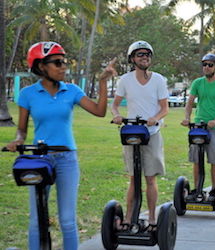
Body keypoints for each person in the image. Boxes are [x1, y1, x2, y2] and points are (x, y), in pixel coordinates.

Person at [5, 42, 116, 249]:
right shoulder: (28, 94)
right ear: (41, 67)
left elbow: (99, 111)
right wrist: (18, 140)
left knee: (67, 219)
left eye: (64, 62)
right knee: (36, 219)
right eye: (57, 63)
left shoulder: (71, 90)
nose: (63, 67)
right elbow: (22, 129)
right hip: (38, 160)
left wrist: (102, 82)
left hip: (67, 159)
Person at [111, 40, 169, 231]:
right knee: (133, 178)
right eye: (140, 54)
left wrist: (155, 118)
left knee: (150, 178)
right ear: (132, 59)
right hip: (131, 133)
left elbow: (164, 108)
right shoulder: (125, 80)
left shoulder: (159, 80)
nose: (144, 57)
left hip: (151, 133)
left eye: (147, 54)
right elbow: (115, 104)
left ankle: (152, 219)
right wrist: (117, 116)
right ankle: (128, 218)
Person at [181, 53, 215, 201]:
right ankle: (198, 189)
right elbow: (190, 102)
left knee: (214, 160)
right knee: (196, 159)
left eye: (210, 65)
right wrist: (186, 118)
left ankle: (214, 190)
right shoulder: (197, 83)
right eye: (204, 65)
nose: (207, 67)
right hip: (198, 126)